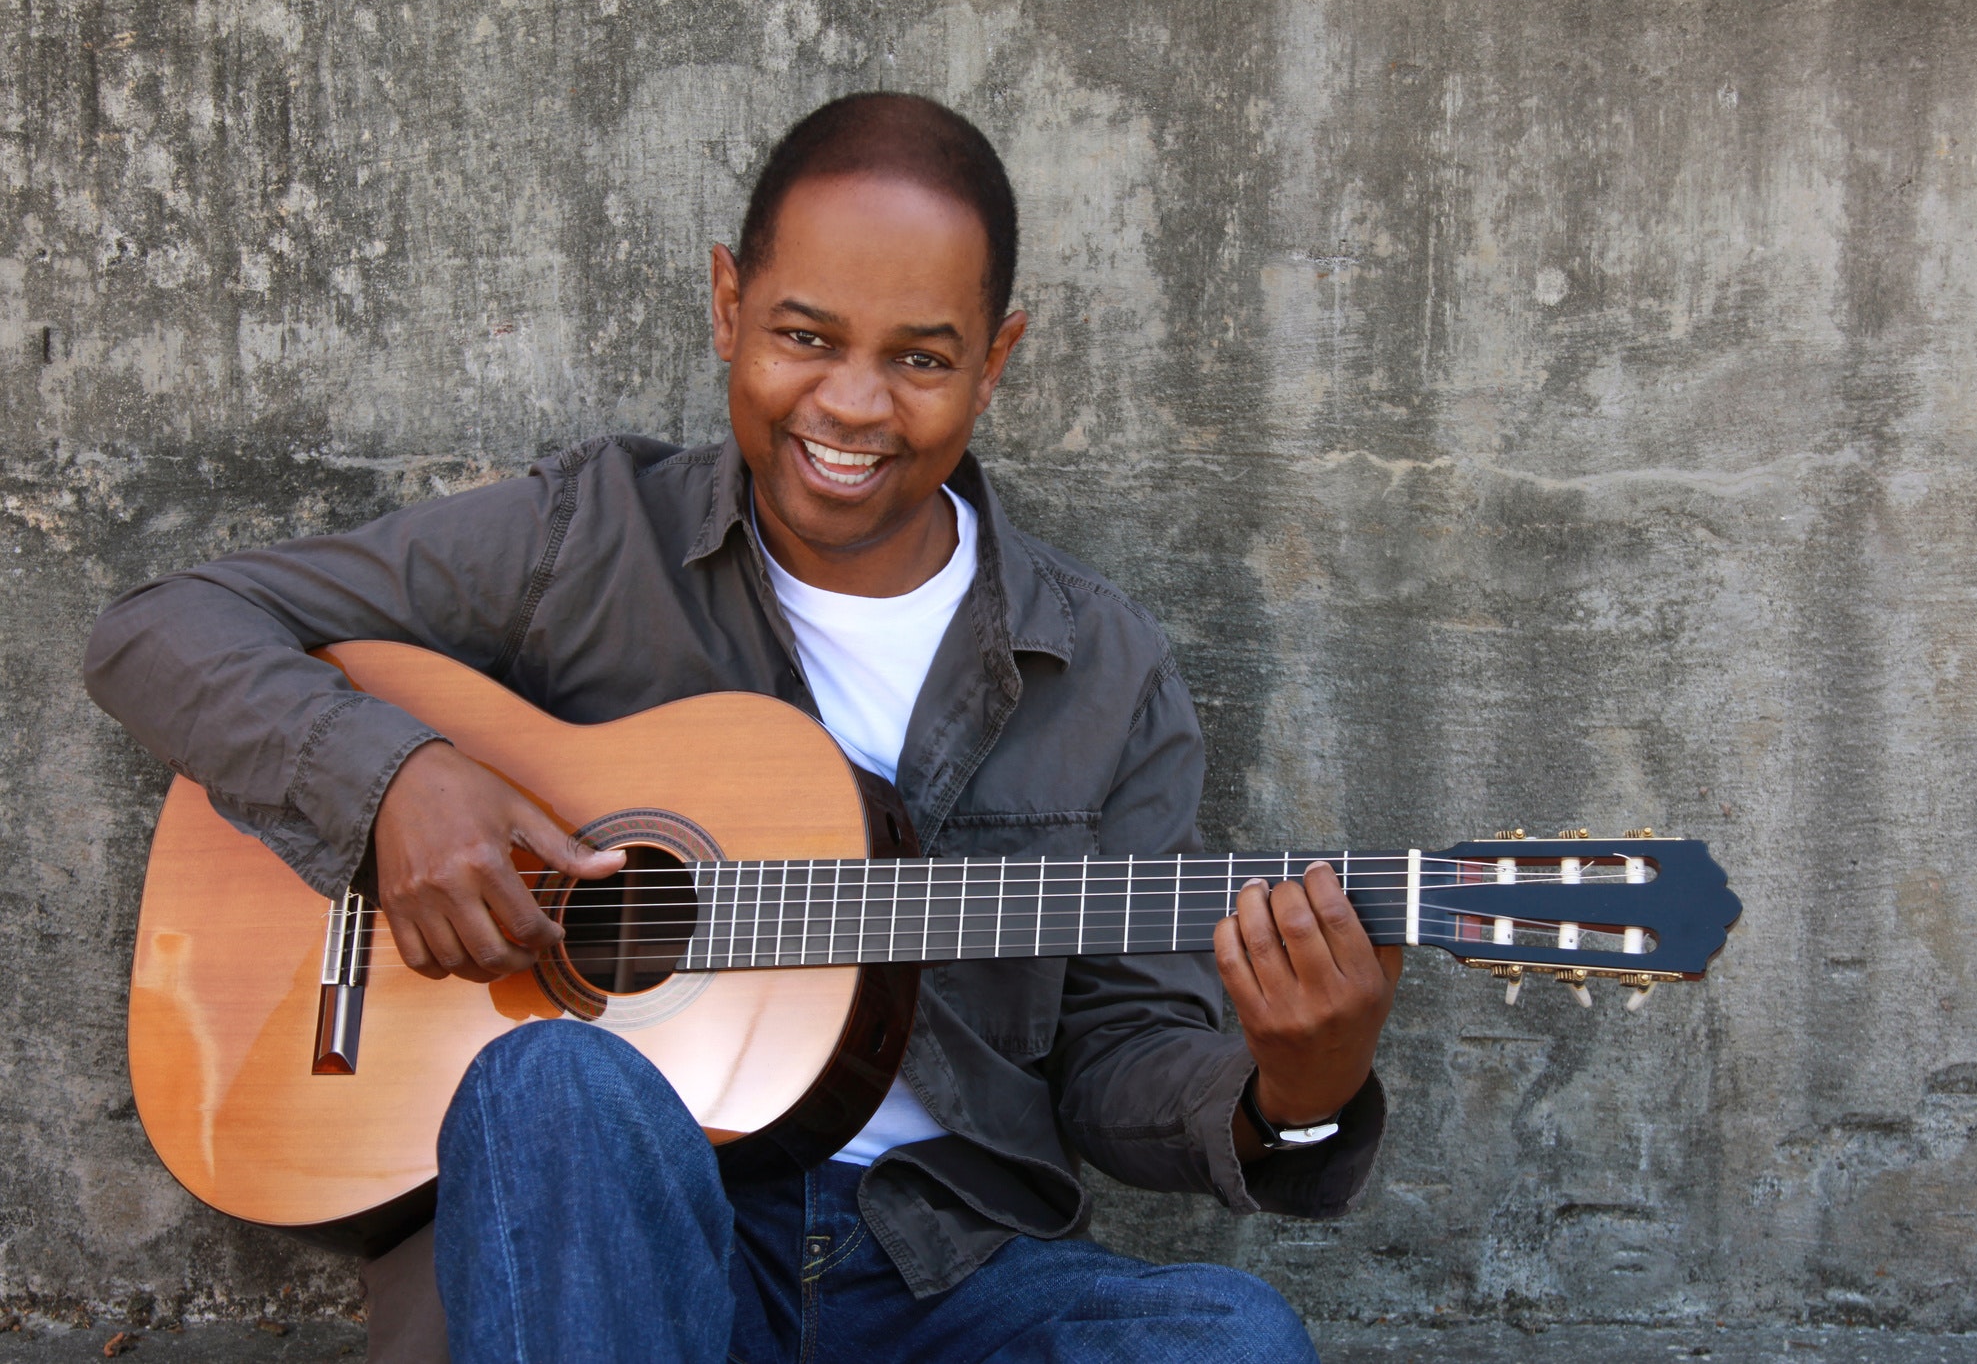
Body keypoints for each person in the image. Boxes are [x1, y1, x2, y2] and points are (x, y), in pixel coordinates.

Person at [86, 93, 1402, 1363]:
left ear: (995, 360)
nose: (852, 404)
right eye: (804, 336)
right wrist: (394, 784)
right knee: (559, 1076)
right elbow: (162, 630)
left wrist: (1299, 1090)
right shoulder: (587, 541)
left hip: (942, 1273)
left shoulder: (1104, 664)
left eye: (922, 357)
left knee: (1234, 1338)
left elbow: (1119, 1061)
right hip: (621, 1246)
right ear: (728, 304)